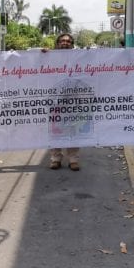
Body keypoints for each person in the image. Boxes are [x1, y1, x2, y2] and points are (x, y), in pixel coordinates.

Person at [45, 33, 81, 171]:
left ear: (72, 44)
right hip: (55, 99)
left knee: (73, 129)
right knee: (55, 129)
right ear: (57, 43)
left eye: (68, 41)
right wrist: (44, 54)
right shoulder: (49, 57)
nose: (65, 43)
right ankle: (55, 158)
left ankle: (73, 159)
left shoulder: (79, 57)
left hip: (73, 99)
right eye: (62, 41)